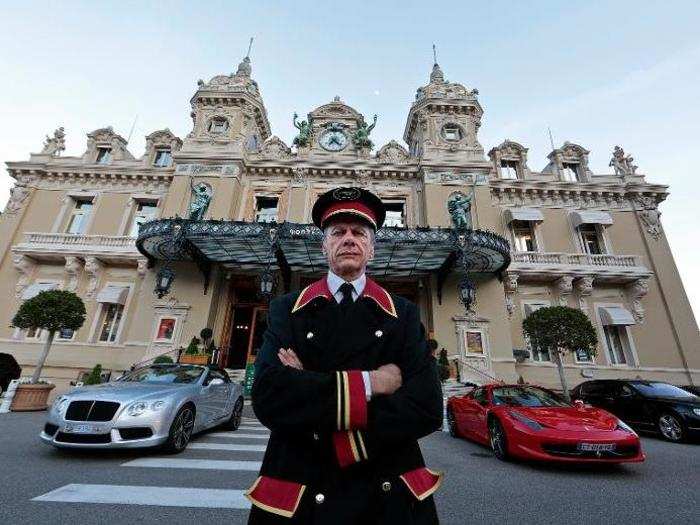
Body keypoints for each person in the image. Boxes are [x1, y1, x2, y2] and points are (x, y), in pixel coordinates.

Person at [246, 187, 443, 524]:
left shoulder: (403, 314)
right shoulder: (287, 310)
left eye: (359, 233)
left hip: (386, 490)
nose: (348, 239)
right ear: (324, 246)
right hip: (302, 490)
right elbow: (268, 397)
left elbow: (426, 407)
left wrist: (307, 383)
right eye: (338, 233)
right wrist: (373, 382)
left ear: (372, 248)